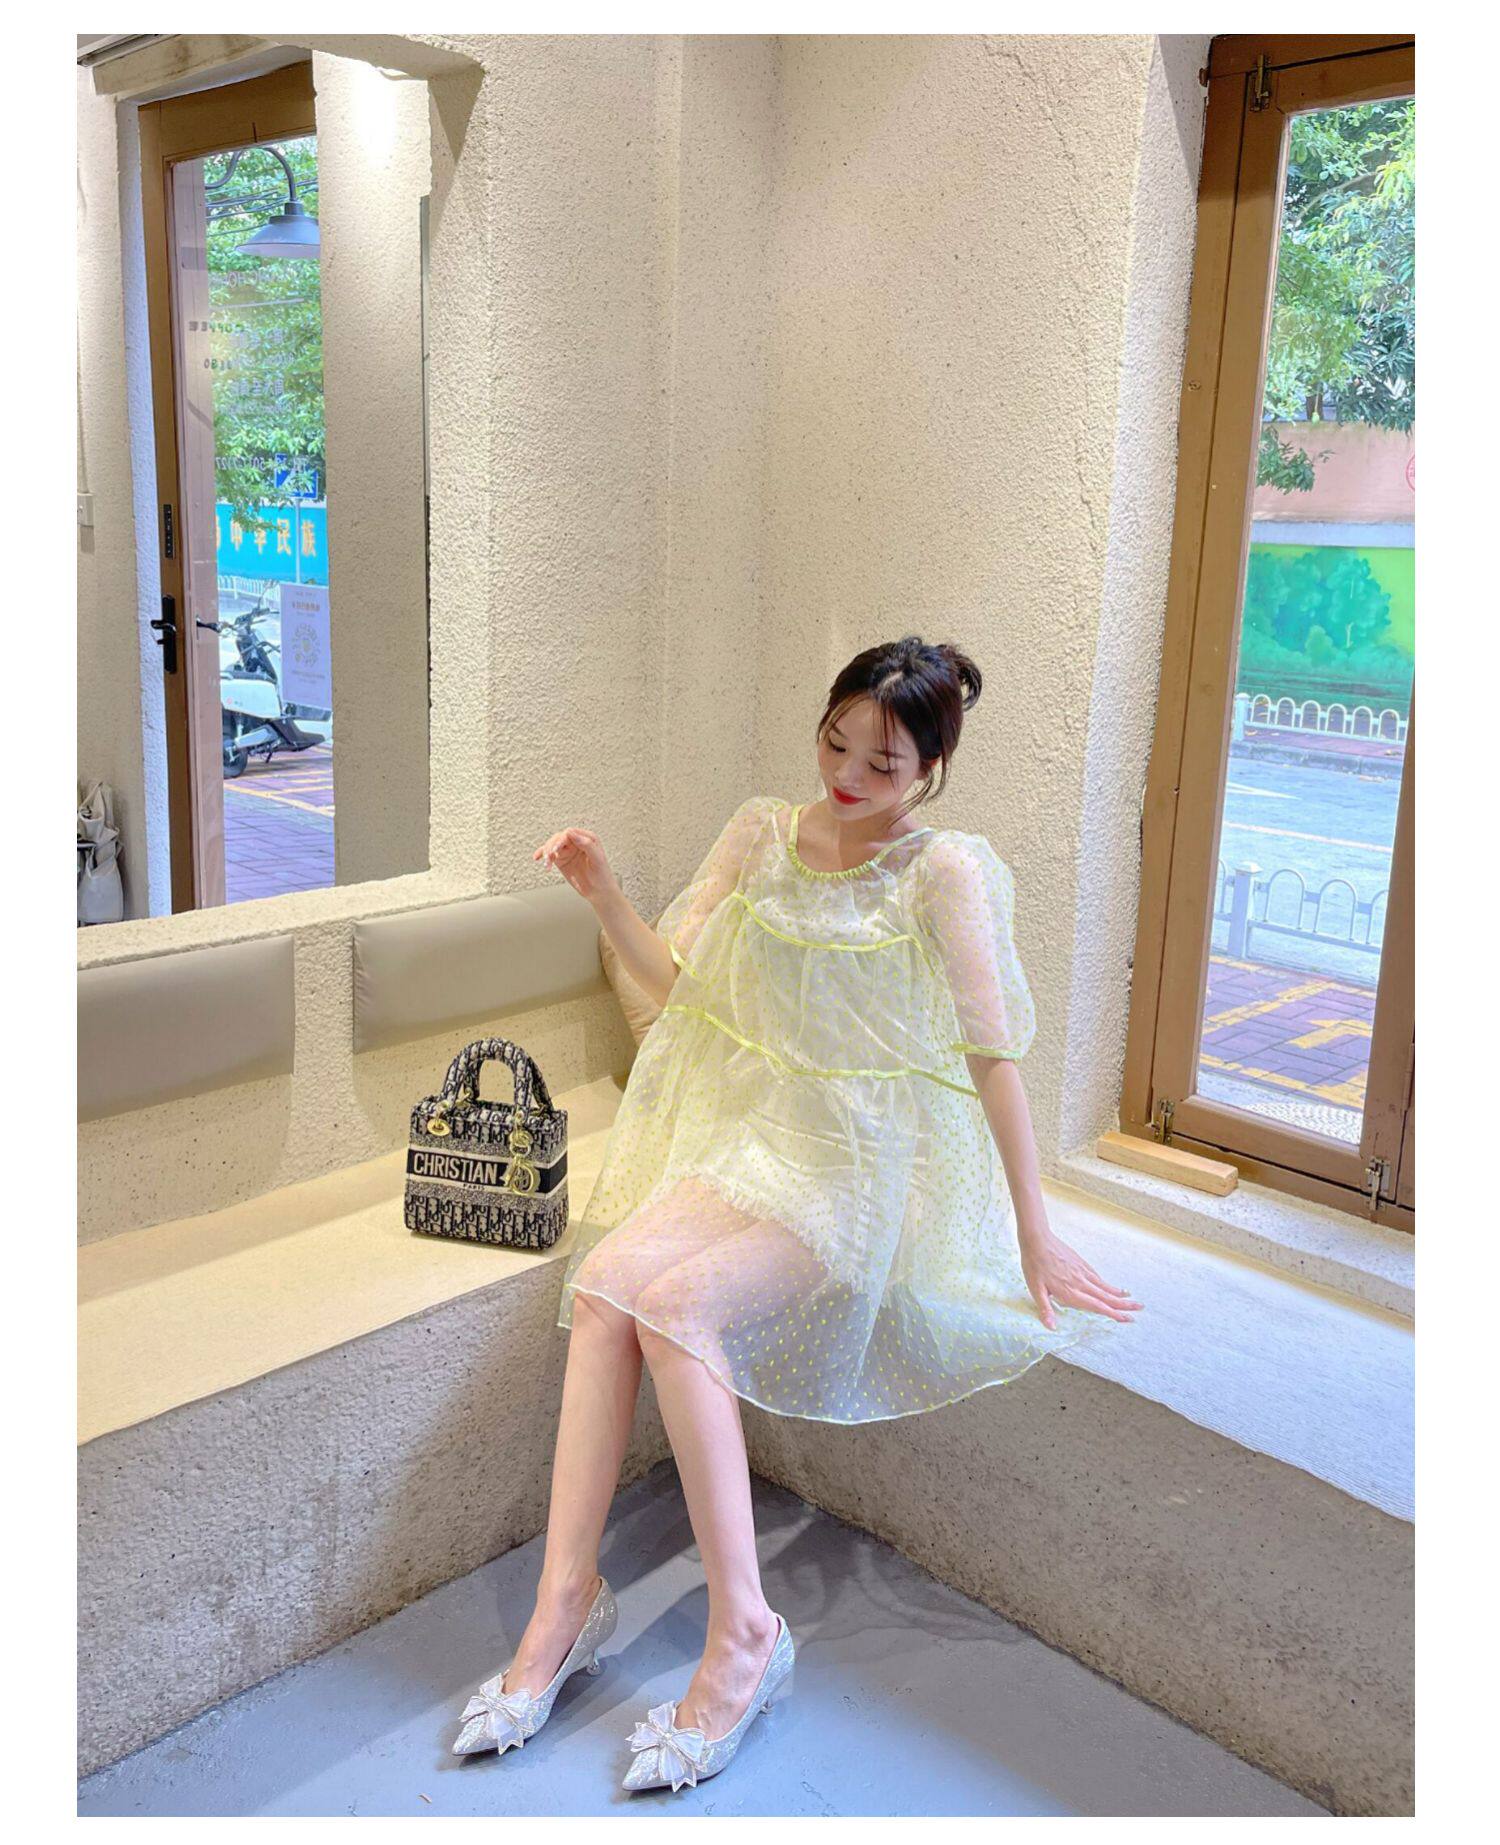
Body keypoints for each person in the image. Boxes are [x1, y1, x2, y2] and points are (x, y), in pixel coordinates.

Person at [451, 635, 1142, 1793]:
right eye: (835, 744)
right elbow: (682, 993)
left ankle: (746, 1638)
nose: (849, 776)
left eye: (884, 763)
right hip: (747, 1144)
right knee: (608, 1284)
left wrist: (1034, 1227)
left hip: (849, 1174)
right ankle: (564, 1604)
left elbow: (991, 1057)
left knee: (676, 1306)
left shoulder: (942, 871)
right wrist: (603, 894)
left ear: (931, 769)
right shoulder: (761, 833)